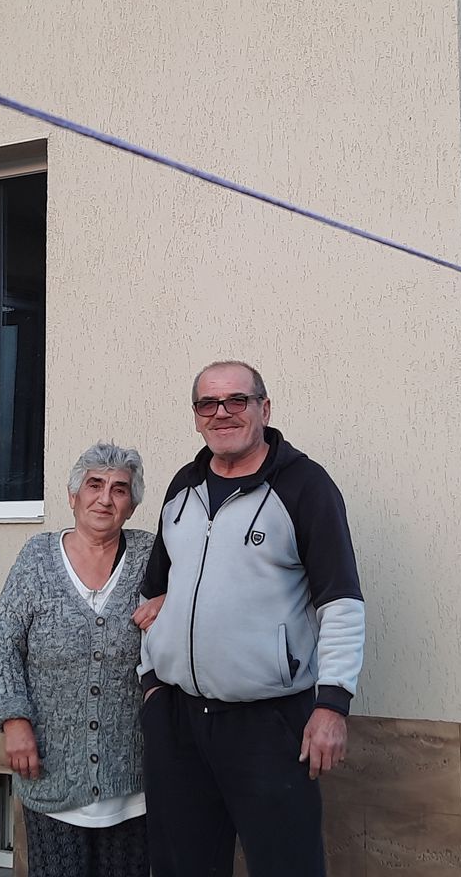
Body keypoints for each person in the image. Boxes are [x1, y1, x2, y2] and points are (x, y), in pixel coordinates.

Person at [133, 360, 365, 877]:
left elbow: (341, 602)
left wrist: (332, 706)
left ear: (264, 408)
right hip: (178, 722)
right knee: (180, 867)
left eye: (237, 400)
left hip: (270, 723)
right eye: (208, 404)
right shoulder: (182, 489)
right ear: (196, 417)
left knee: (287, 865)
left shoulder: (305, 486)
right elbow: (155, 595)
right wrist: (152, 688)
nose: (222, 413)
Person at [0, 442, 154, 877]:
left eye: (120, 490)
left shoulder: (149, 556)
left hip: (130, 774)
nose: (105, 498)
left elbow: (201, 592)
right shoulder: (37, 557)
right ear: (73, 496)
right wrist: (15, 720)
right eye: (94, 485)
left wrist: (169, 599)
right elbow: (4, 644)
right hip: (52, 768)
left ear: (131, 506)